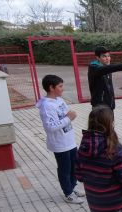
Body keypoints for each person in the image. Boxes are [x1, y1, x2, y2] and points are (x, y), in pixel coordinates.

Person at [36, 75, 85, 204]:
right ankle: (68, 193)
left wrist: (69, 116)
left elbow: (67, 113)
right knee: (64, 169)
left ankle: (72, 187)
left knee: (74, 167)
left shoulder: (59, 100)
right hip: (60, 143)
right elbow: (50, 127)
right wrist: (69, 118)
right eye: (60, 86)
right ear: (51, 88)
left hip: (70, 141)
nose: (62, 89)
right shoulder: (46, 106)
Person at [88, 46, 122, 110]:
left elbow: (109, 88)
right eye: (104, 56)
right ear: (98, 57)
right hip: (100, 107)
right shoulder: (94, 68)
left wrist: (112, 104)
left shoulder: (107, 68)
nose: (107, 58)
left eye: (108, 56)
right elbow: (105, 69)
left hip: (109, 105)